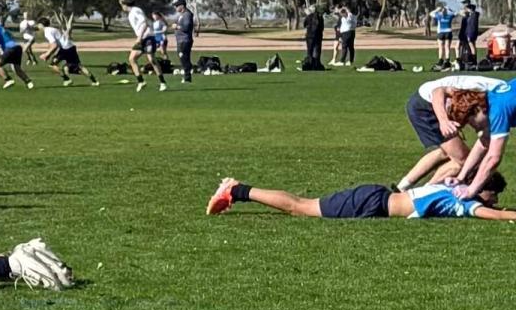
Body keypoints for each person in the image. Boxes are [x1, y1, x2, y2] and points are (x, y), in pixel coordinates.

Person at [206, 173, 514, 221]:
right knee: (302, 207)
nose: (491, 200)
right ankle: (237, 190)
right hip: (371, 203)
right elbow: (495, 215)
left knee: (303, 203)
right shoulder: (463, 201)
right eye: (492, 194)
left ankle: (239, 190)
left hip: (376, 197)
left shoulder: (452, 184)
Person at [396, 82, 496, 191]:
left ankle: (401, 189)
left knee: (447, 152)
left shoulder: (490, 90)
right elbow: (437, 90)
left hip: (426, 101)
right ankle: (423, 195)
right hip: (427, 105)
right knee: (463, 160)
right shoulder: (486, 88)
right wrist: (443, 120)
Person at [120, 0, 166, 92]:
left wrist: (139, 38)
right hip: (142, 39)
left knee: (151, 60)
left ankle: (163, 83)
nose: (121, 7)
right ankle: (141, 82)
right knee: (132, 59)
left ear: (125, 4)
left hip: (148, 37)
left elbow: (144, 23)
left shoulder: (135, 10)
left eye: (122, 4)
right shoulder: (131, 13)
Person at [37, 17, 99, 87]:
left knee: (53, 65)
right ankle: (95, 81)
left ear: (41, 24)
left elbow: (54, 45)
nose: (37, 26)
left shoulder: (47, 32)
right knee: (77, 67)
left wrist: (46, 54)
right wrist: (48, 55)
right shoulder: (53, 29)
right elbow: (56, 45)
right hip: (71, 47)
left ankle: (67, 80)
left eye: (38, 24)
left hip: (65, 48)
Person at [0, 14, 33, 90]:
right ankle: (29, 82)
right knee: (16, 68)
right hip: (17, 47)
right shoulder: (2, 27)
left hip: (10, 48)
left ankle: (8, 80)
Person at [173, 0, 196, 84]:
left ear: (182, 6)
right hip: (180, 40)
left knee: (184, 58)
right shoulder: (181, 15)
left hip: (184, 40)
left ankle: (187, 78)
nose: (175, 8)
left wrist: (177, 27)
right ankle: (187, 76)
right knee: (184, 58)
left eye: (176, 6)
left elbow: (186, 27)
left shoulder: (187, 15)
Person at [460, 0, 481, 65]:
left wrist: (468, 10)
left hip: (471, 32)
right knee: (471, 45)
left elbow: (473, 13)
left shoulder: (474, 14)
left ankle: (474, 60)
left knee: (472, 45)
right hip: (469, 32)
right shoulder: (469, 15)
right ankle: (471, 59)